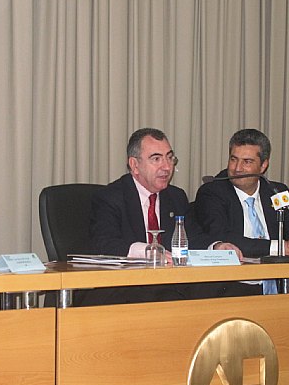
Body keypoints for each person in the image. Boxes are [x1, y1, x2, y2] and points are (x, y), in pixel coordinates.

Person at [83, 127, 254, 305]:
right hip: (128, 285)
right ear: (134, 165)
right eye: (156, 159)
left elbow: (193, 237)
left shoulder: (176, 197)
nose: (167, 167)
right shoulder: (110, 197)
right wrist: (150, 251)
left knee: (238, 291)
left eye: (170, 158)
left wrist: (216, 247)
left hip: (173, 283)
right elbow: (104, 243)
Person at [194, 128, 289, 259]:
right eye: (233, 159)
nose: (237, 168)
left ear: (263, 165)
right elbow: (222, 237)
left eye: (247, 162)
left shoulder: (276, 191)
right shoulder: (212, 192)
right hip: (237, 276)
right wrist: (281, 248)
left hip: (279, 276)